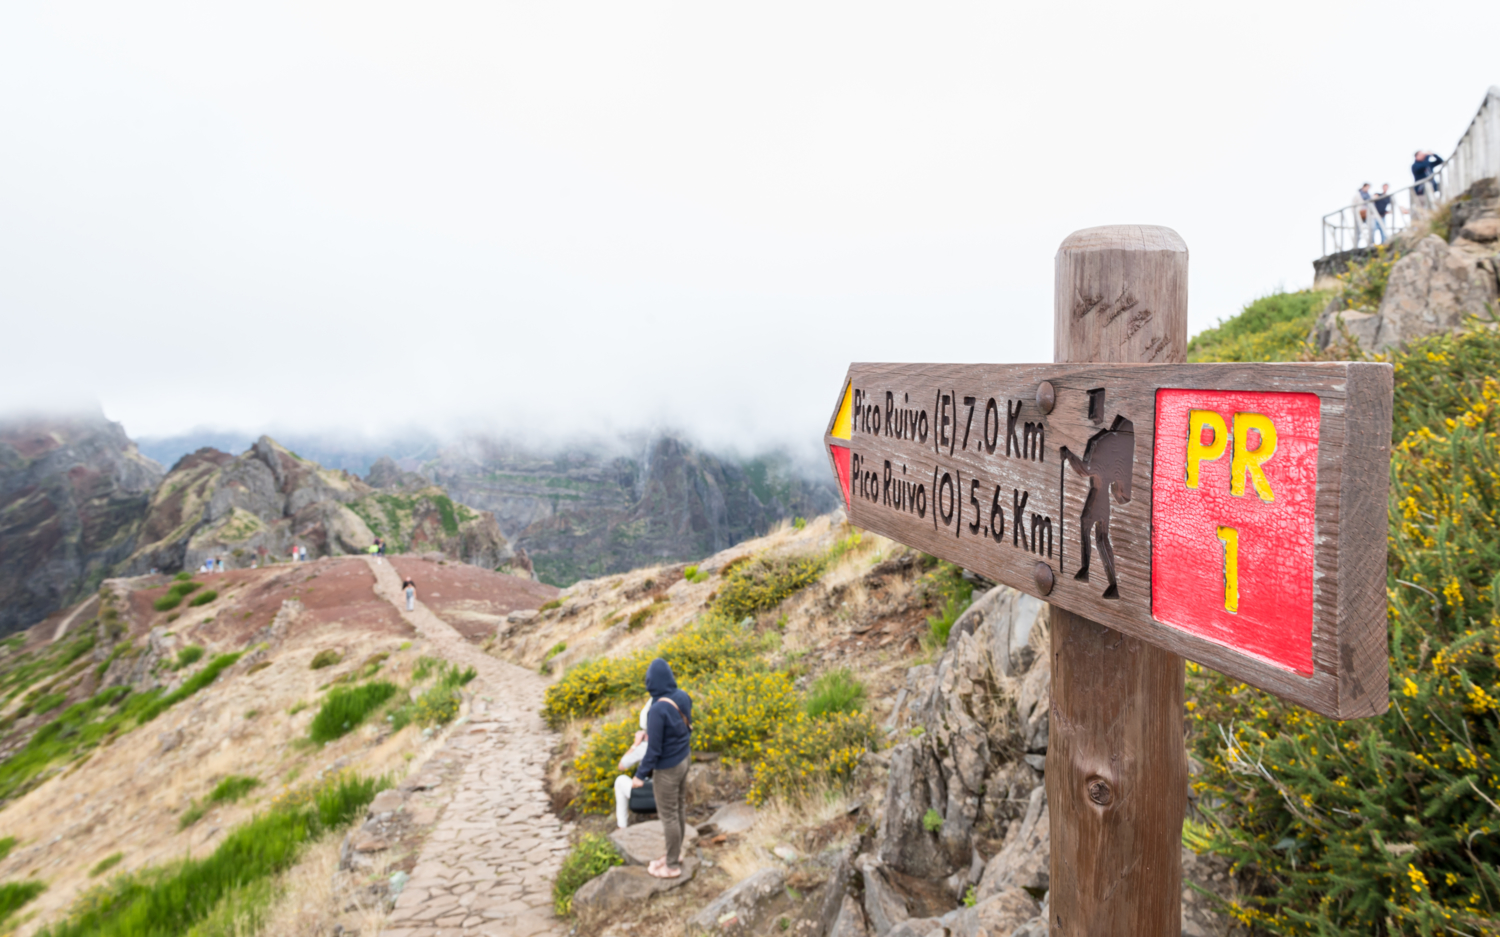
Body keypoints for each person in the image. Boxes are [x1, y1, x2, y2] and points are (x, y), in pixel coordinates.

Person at [631, 658, 693, 878]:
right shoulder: (682, 696)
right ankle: (674, 854)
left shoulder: (656, 709)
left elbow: (654, 750)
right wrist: (651, 733)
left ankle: (672, 865)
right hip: (684, 759)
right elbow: (682, 727)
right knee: (679, 810)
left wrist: (639, 776)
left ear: (651, 683)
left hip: (667, 769)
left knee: (668, 817)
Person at [614, 699, 655, 829]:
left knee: (620, 781)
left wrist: (635, 743)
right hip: (667, 789)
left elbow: (622, 765)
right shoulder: (671, 743)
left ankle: (622, 826)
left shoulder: (644, 747)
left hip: (648, 791)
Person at [1352, 183, 1376, 248]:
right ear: (1364, 187)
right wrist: (1355, 214)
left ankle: (1371, 243)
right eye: (1367, 187)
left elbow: (1372, 204)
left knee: (1372, 228)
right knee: (1358, 231)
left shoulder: (1369, 195)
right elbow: (1353, 205)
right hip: (1359, 214)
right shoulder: (1357, 195)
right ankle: (1355, 246)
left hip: (1368, 214)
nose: (1368, 189)